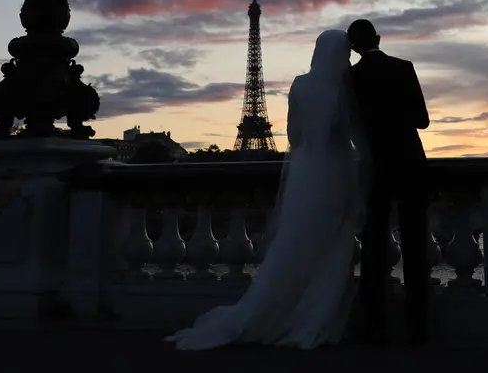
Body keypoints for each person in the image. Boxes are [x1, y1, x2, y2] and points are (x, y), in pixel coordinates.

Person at [166, 30, 370, 351]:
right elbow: (354, 134)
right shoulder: (347, 86)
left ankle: (283, 310)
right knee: (333, 245)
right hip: (335, 173)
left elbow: (294, 134)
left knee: (298, 240)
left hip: (307, 174)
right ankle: (321, 317)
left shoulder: (300, 84)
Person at [346, 18, 431, 346]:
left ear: (353, 47)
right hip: (410, 162)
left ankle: (374, 322)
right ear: (379, 38)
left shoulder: (351, 78)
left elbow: (350, 126)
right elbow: (422, 121)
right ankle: (417, 325)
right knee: (415, 245)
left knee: (374, 246)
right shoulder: (404, 67)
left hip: (374, 165)